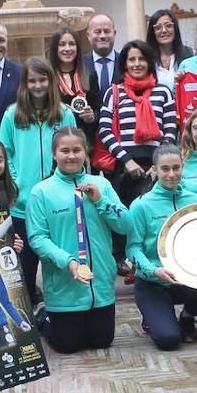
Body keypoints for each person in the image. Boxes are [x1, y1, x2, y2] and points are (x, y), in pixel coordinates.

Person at [26, 127, 132, 353]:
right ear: (54, 154)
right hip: (65, 286)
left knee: (101, 342)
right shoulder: (41, 192)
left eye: (77, 150)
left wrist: (102, 201)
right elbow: (37, 239)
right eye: (64, 150)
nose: (71, 156)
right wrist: (69, 262)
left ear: (86, 151)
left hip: (100, 286)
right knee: (68, 345)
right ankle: (43, 315)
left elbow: (125, 224)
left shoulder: (101, 185)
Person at [0, 58, 76, 306]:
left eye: (42, 79)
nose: (37, 85)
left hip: (56, 200)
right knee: (27, 261)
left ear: (51, 82)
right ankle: (30, 303)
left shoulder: (65, 114)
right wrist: (16, 182)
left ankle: (61, 305)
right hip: (22, 202)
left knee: (57, 257)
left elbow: (75, 151)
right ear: (24, 84)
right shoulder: (12, 114)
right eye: (32, 80)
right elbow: (6, 151)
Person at [99, 41, 178, 274]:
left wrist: (157, 164)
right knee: (122, 216)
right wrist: (127, 160)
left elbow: (171, 130)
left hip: (155, 167)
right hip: (123, 167)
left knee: (151, 217)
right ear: (124, 64)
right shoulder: (114, 92)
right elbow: (105, 131)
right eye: (131, 59)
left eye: (141, 59)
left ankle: (151, 263)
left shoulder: (163, 92)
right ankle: (125, 260)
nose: (136, 64)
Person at [127, 144, 197, 348]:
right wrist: (153, 270)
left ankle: (188, 316)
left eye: (176, 168)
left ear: (183, 167)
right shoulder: (141, 205)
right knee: (169, 340)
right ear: (154, 170)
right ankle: (153, 315)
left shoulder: (194, 201)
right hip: (153, 281)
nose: (172, 174)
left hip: (188, 279)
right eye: (165, 169)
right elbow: (132, 249)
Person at [46, 28, 101, 147]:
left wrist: (91, 117)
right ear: (55, 48)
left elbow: (98, 109)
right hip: (51, 143)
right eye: (62, 44)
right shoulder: (46, 77)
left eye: (72, 44)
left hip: (81, 144)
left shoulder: (89, 75)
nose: (67, 49)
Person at [145, 8, 194, 89]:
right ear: (152, 32)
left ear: (175, 29)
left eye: (168, 26)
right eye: (158, 28)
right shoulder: (146, 59)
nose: (164, 30)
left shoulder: (189, 54)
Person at [83, 13, 121, 91]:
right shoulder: (79, 63)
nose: (102, 36)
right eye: (97, 32)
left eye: (107, 31)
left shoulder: (125, 62)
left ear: (114, 33)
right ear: (88, 35)